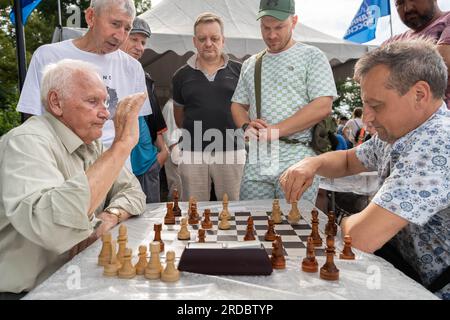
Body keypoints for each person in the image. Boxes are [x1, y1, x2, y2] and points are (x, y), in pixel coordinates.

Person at [280, 39, 449, 299]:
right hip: (411, 275)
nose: (366, 117)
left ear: (419, 94)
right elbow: (349, 160)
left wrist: (342, 221)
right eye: (365, 104)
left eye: (377, 105)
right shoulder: (400, 133)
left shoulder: (437, 142)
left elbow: (360, 237)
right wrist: (310, 163)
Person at [0, 60, 146, 298]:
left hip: (71, 282)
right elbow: (51, 224)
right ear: (56, 103)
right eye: (92, 102)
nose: (105, 113)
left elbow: (133, 191)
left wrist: (110, 215)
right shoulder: (26, 141)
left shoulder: (91, 144)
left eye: (105, 102)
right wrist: (121, 146)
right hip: (27, 292)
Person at [231, 0, 336, 201]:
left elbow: (323, 105)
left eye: (279, 27)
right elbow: (237, 104)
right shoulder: (251, 63)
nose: (271, 35)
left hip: (298, 156)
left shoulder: (312, 56)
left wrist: (276, 130)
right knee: (253, 223)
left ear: (294, 21)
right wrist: (245, 125)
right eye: (266, 27)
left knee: (295, 226)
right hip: (258, 159)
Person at [16, 0, 152, 156]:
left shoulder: (133, 67)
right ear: (91, 17)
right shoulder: (48, 56)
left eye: (127, 28)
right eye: (115, 24)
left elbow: (134, 124)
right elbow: (32, 117)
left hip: (117, 167)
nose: (120, 36)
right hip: (63, 164)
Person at [172, 12, 245, 201]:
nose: (208, 43)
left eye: (214, 38)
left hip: (232, 150)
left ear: (223, 40)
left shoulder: (241, 71)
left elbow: (248, 110)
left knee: (233, 209)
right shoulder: (181, 76)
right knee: (194, 209)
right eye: (202, 39)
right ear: (195, 41)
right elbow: (179, 118)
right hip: (192, 151)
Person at [120, 17, 169, 203]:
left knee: (149, 222)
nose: (140, 47)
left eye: (143, 42)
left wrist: (162, 153)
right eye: (134, 40)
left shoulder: (145, 77)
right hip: (119, 165)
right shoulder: (100, 74)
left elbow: (154, 116)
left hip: (147, 164)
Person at [385, 0, 450, 108]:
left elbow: (442, 65)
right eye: (400, 3)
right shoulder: (392, 41)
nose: (408, 8)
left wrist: (393, 72)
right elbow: (365, 75)